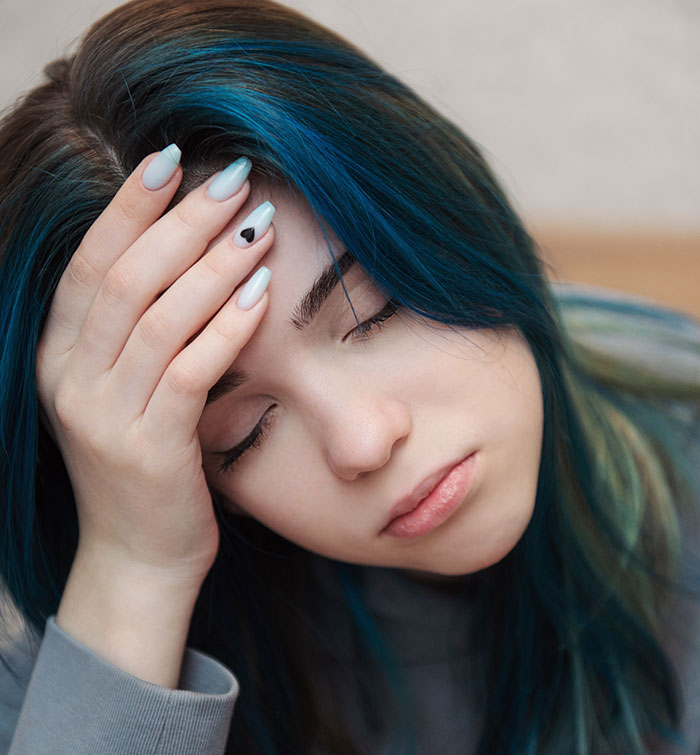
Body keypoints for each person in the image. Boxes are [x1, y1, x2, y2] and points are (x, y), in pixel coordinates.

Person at [0, 0, 698, 752]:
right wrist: (136, 569)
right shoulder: (73, 670)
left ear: (456, 214)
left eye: (373, 312)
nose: (363, 440)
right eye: (244, 434)